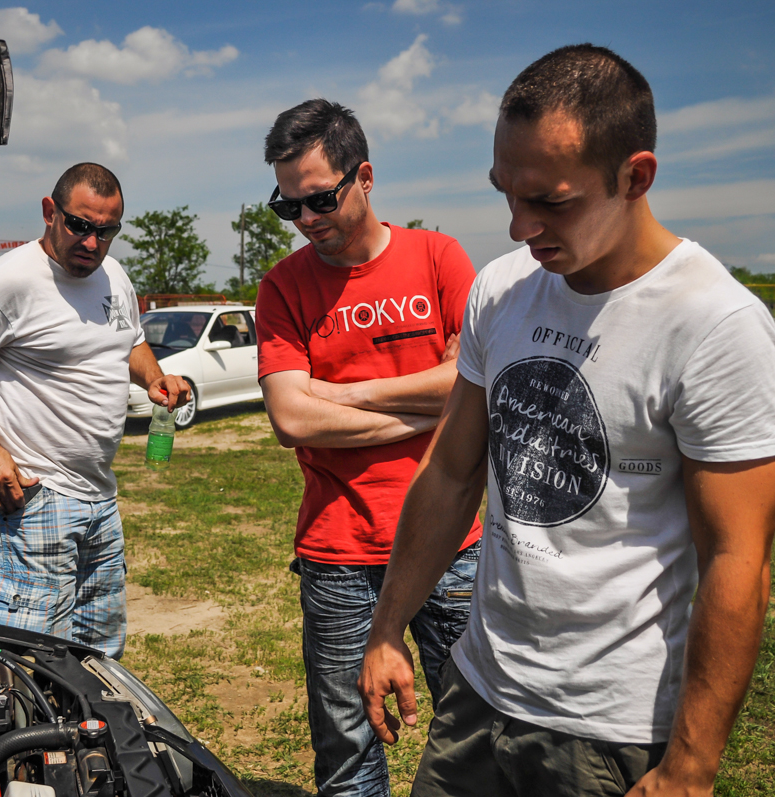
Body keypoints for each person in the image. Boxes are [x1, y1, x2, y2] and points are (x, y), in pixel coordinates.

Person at [358, 45, 775, 796]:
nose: (519, 226)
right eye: (505, 193)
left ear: (635, 177)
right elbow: (452, 470)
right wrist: (389, 624)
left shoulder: (714, 324)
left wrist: (691, 766)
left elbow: (736, 559)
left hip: (607, 728)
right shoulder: (502, 288)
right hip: (478, 689)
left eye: (551, 201)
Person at [255, 99, 483, 797]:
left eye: (320, 199)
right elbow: (292, 417)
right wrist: (425, 413)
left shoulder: (439, 257)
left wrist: (342, 393)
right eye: (288, 206)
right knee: (347, 751)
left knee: (479, 734)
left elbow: (473, 382)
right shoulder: (282, 287)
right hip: (337, 552)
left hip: (451, 542)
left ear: (365, 177)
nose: (305, 218)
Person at [0, 163, 190, 659]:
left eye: (106, 231)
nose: (92, 243)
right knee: (33, 660)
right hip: (28, 500)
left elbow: (130, 339)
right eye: (80, 225)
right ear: (49, 212)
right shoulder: (8, 281)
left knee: (99, 656)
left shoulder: (113, 275)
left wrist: (153, 377)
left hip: (99, 498)